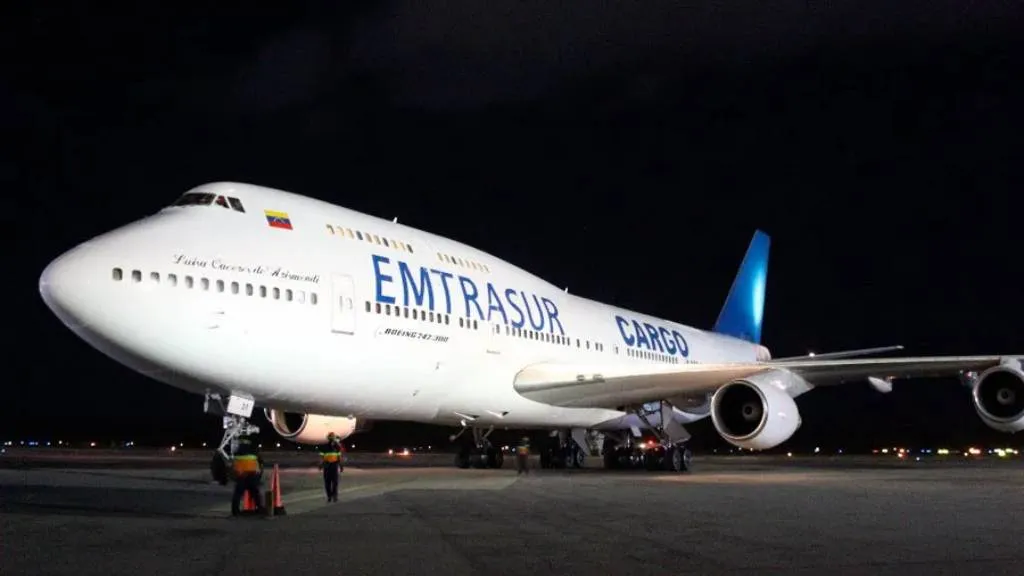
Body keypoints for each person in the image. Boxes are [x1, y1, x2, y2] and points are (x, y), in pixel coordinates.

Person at [231, 437, 265, 516]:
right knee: (255, 493)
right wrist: (259, 476)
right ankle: (259, 508)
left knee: (237, 494)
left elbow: (233, 464)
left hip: (241, 475)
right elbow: (260, 462)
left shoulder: (236, 451)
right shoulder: (254, 450)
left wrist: (235, 476)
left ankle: (235, 511)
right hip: (252, 474)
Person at [319, 432, 343, 502]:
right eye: (331, 438)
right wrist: (321, 464)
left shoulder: (337, 447)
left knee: (334, 482)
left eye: (332, 438)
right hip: (328, 465)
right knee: (328, 482)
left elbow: (339, 457)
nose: (332, 439)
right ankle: (330, 496)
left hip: (333, 465)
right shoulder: (324, 446)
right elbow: (322, 457)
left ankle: (333, 496)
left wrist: (341, 465)